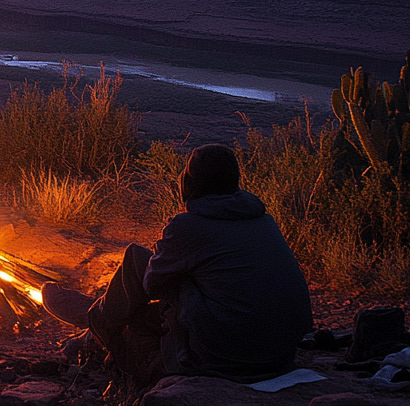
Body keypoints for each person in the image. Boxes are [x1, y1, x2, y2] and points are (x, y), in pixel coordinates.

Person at [42, 144, 313, 386]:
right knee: (171, 275)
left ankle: (95, 318)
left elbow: (152, 285)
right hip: (281, 351)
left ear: (189, 183)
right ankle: (96, 317)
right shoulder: (265, 221)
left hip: (226, 354)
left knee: (136, 261)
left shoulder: (188, 226)